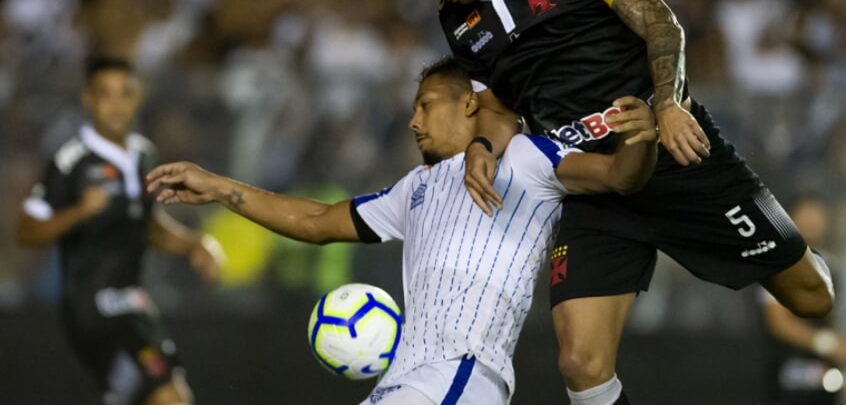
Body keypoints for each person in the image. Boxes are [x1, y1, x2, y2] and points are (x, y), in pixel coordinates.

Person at [379, 0, 834, 405]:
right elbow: (500, 104)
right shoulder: (458, 19)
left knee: (813, 297)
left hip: (671, 151)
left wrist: (667, 105)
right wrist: (484, 145)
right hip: (591, 183)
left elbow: (661, 23)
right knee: (581, 364)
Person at [145, 57, 658, 405]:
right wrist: (215, 187)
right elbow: (317, 221)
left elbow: (618, 177)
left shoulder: (525, 159)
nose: (413, 121)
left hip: (461, 372)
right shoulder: (412, 189)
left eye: (425, 105)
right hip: (407, 382)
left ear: (469, 105)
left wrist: (644, 131)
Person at [16, 57, 224, 405]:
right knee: (169, 398)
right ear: (88, 98)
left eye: (124, 94)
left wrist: (194, 244)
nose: (115, 105)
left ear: (137, 97)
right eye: (105, 94)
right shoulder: (71, 161)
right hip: (94, 310)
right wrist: (79, 212)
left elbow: (148, 226)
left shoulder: (144, 154)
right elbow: (26, 231)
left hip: (135, 305)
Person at [760, 193, 845, 405]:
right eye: (804, 213)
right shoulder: (778, 262)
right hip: (790, 367)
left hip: (829, 372)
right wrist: (826, 343)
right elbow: (778, 322)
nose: (811, 221)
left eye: (816, 214)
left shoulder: (833, 265)